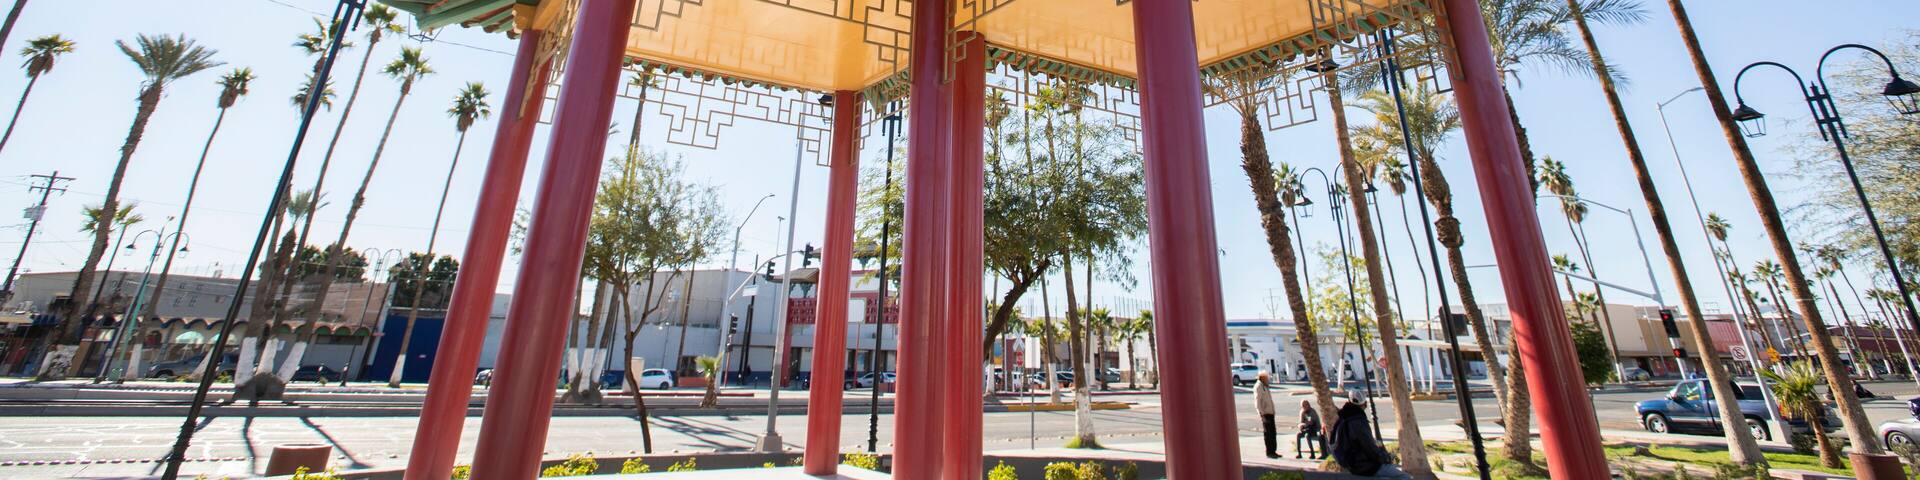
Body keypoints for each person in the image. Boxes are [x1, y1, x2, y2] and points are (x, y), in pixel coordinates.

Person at [1329, 392, 1411, 478]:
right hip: (1365, 466)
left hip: (1353, 464)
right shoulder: (1357, 421)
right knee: (1404, 477)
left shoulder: (1343, 418)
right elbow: (1369, 447)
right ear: (1364, 404)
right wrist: (1385, 457)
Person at [1255, 372, 1279, 458]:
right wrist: (1260, 412)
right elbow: (1257, 400)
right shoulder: (1259, 386)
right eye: (1266, 378)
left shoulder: (1265, 386)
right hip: (1265, 413)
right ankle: (1269, 452)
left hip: (1270, 412)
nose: (1267, 379)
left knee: (1273, 432)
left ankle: (1274, 450)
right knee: (1268, 433)